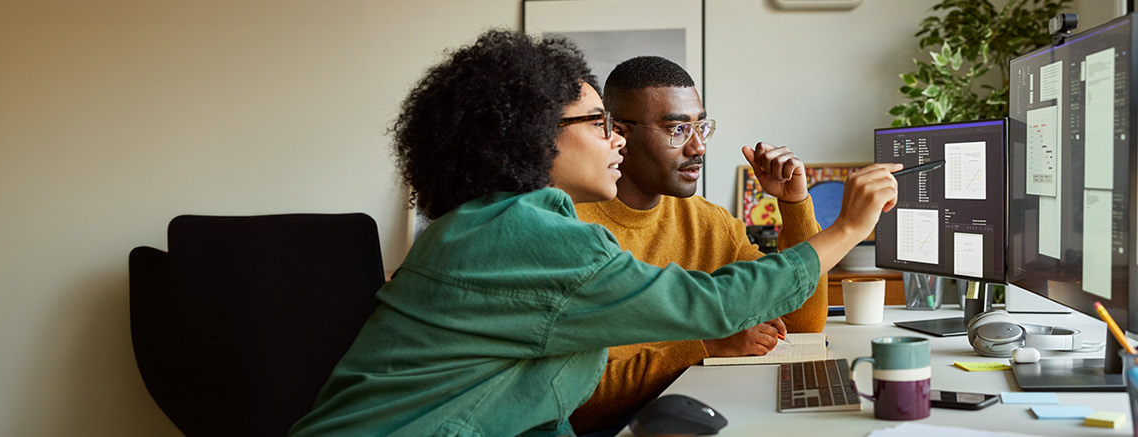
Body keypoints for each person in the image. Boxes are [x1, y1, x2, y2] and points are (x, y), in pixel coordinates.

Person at [288, 30, 898, 436]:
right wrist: (849, 225)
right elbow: (712, 307)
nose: (616, 139)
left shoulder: (506, 222)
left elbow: (535, 404)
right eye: (598, 123)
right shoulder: (518, 233)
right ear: (533, 134)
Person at [569, 56, 829, 431]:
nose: (698, 148)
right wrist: (706, 346)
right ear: (619, 136)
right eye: (677, 130)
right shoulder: (570, 230)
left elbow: (802, 321)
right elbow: (575, 400)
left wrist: (794, 206)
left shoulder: (707, 220)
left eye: (701, 128)